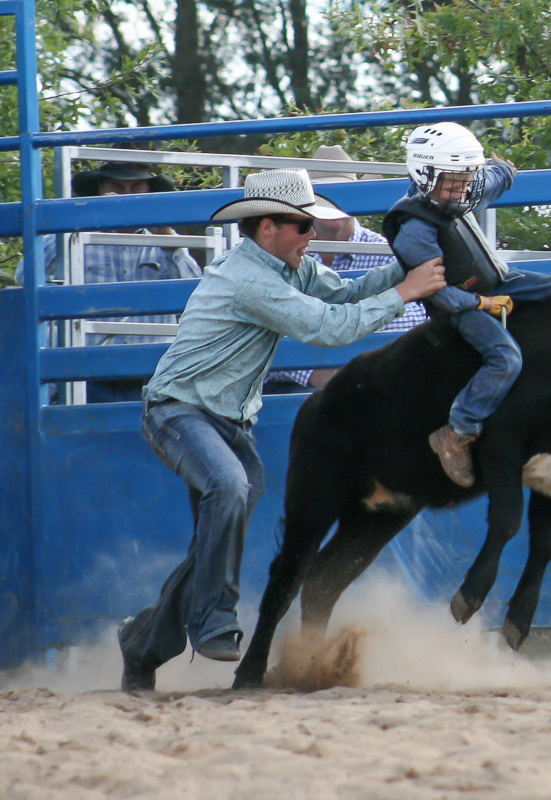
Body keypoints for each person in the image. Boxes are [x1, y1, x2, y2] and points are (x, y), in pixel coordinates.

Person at [116, 168, 446, 691]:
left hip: (226, 421)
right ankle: (214, 620)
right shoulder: (249, 280)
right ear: (267, 227)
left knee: (216, 538)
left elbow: (346, 294)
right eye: (303, 226)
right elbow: (328, 328)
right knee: (230, 488)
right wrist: (407, 290)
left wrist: (408, 267)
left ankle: (142, 644)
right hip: (178, 411)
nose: (312, 235)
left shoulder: (288, 267)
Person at [382, 122, 551, 488]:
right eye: (454, 180)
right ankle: (458, 430)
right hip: (460, 308)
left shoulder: (457, 191)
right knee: (506, 359)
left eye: (467, 178)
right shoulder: (414, 231)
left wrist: (504, 167)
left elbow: (494, 178)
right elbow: (438, 293)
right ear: (424, 174)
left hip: (497, 281)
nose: (464, 188)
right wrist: (484, 303)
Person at [15, 160, 203, 402]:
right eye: (116, 187)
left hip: (154, 376)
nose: (125, 196)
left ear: (148, 192)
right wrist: (83, 218)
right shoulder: (75, 237)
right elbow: (25, 275)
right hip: (87, 377)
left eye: (136, 187)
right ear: (99, 191)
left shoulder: (166, 240)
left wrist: (168, 240)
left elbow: (198, 296)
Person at [264, 145, 428, 393]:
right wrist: (312, 373)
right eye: (326, 196)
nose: (335, 204)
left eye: (342, 194)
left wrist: (341, 370)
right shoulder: (291, 254)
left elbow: (410, 324)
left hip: (369, 383)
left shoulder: (385, 252)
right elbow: (265, 333)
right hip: (300, 385)